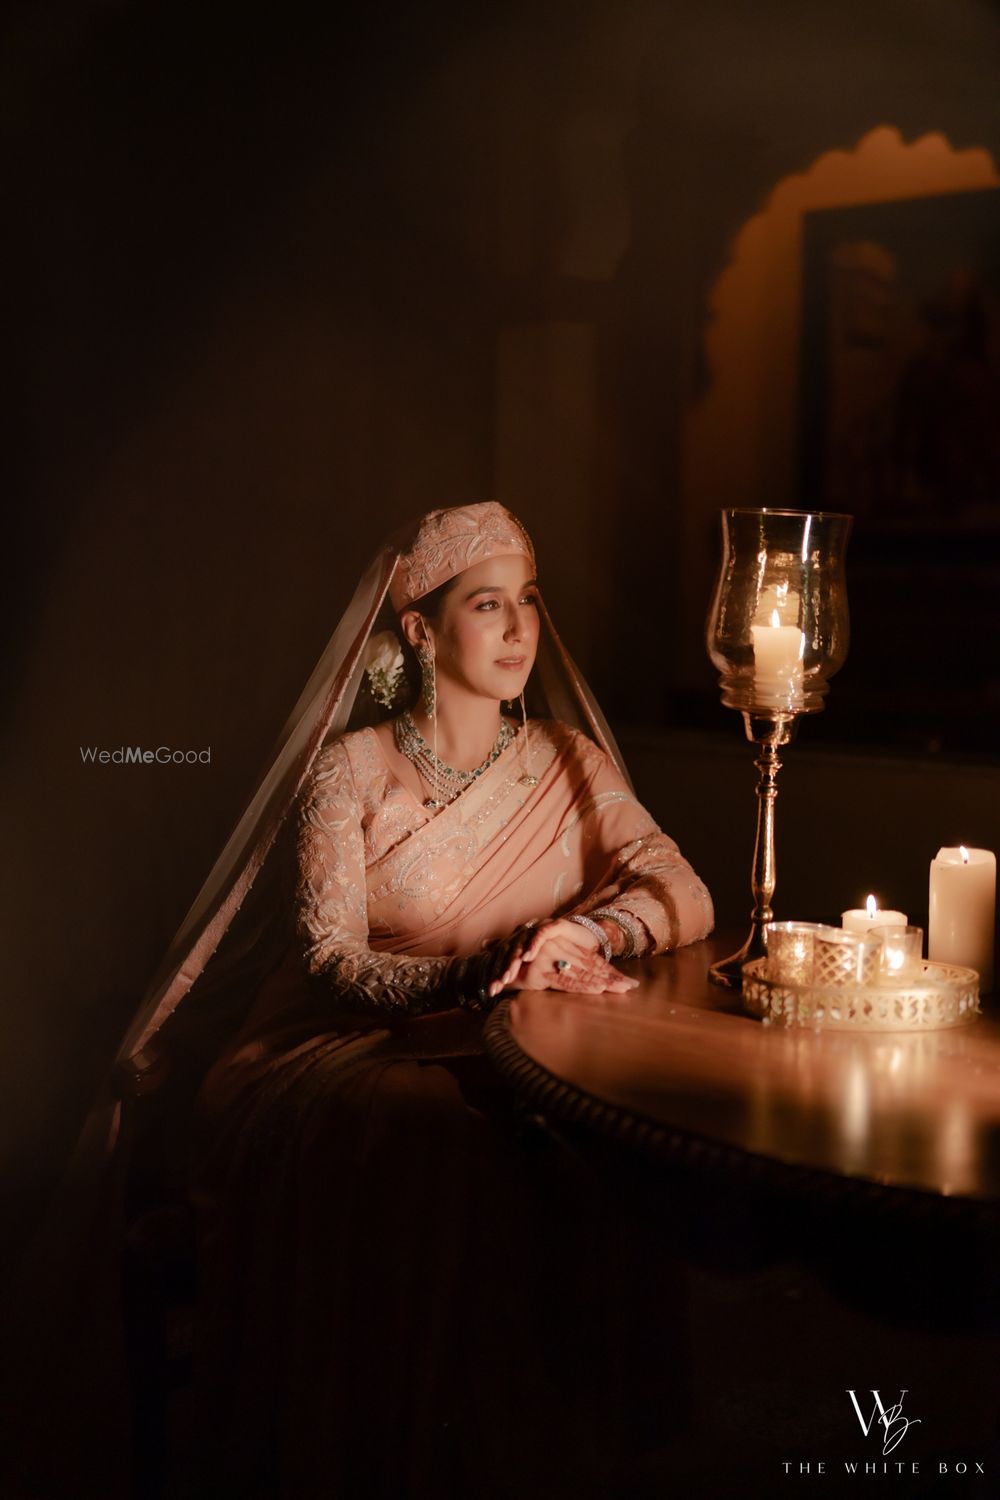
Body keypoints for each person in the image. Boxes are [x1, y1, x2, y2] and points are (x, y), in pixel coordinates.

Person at [176, 502, 713, 1499]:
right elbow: (331, 959)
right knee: (433, 1134)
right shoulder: (348, 772)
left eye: (529, 605)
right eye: (487, 605)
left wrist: (583, 933)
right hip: (352, 1049)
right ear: (420, 630)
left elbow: (682, 891)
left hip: (523, 1038)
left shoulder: (564, 760)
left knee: (607, 1123)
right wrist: (466, 974)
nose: (519, 630)